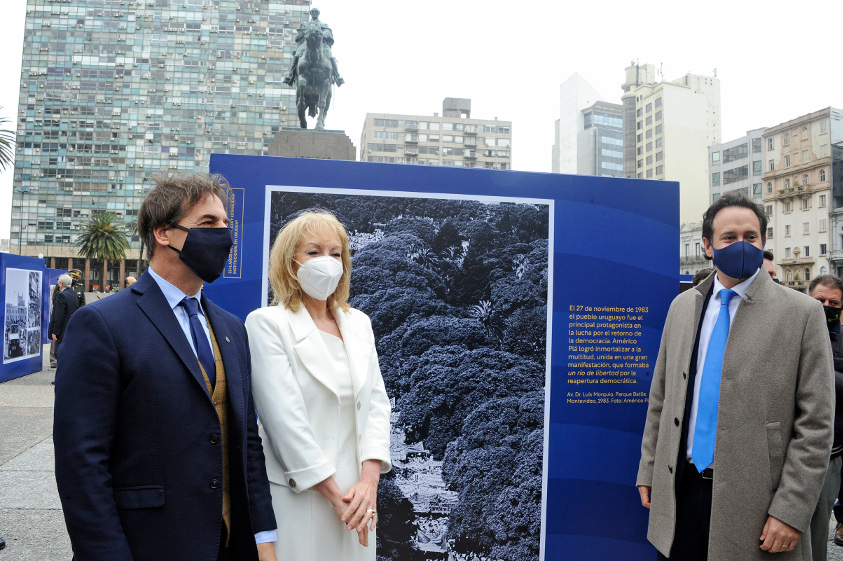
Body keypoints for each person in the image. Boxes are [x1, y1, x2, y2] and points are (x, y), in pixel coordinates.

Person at [53, 173, 278, 561]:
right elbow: (81, 462)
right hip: (147, 545)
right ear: (163, 233)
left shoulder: (231, 329)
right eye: (208, 224)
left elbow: (247, 443)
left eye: (226, 224)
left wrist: (263, 538)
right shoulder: (102, 324)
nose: (224, 235)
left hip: (230, 545)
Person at [637, 191, 834, 560]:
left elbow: (817, 424)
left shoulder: (802, 314)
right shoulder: (682, 307)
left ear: (763, 241)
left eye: (751, 237)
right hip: (683, 489)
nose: (741, 245)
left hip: (758, 504)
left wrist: (790, 511)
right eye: (729, 238)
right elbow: (661, 398)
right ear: (708, 246)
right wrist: (649, 470)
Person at [245, 209, 391, 560]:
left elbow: (376, 403)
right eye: (313, 252)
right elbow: (284, 423)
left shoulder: (359, 323)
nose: (327, 261)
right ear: (289, 262)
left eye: (335, 253)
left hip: (359, 500)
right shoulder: (267, 324)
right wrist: (337, 499)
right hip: (300, 496)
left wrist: (368, 484)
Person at [808, 275, 843, 561]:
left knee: (819, 524)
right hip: (786, 449)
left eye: (834, 302)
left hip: (832, 453)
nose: (826, 306)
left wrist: (820, 372)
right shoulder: (790, 331)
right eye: (819, 300)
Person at [283, 7, 345, 87]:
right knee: (298, 54)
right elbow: (298, 37)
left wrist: (323, 34)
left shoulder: (324, 25)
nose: (314, 13)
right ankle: (290, 74)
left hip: (322, 44)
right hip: (306, 44)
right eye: (313, 11)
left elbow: (329, 34)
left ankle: (337, 76)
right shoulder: (304, 25)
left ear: (318, 14)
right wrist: (303, 33)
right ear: (310, 13)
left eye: (316, 12)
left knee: (329, 54)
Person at [47, 273, 78, 368]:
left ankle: (60, 379)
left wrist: (55, 332)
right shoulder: (73, 294)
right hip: (71, 329)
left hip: (62, 331)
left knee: (59, 354)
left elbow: (59, 316)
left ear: (61, 283)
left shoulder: (61, 295)